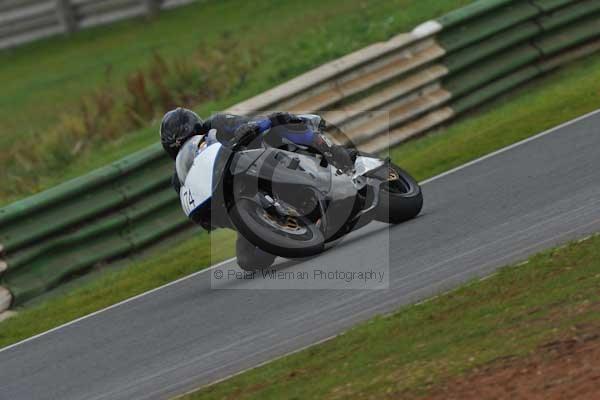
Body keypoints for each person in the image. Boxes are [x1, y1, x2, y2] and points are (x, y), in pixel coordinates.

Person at [159, 107, 356, 269]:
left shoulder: (217, 124)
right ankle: (285, 228)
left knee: (279, 123)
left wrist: (248, 128)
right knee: (247, 260)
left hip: (262, 160)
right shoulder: (179, 179)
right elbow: (205, 218)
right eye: (178, 146)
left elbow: (247, 124)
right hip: (237, 196)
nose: (186, 147)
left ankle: (337, 154)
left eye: (190, 138)